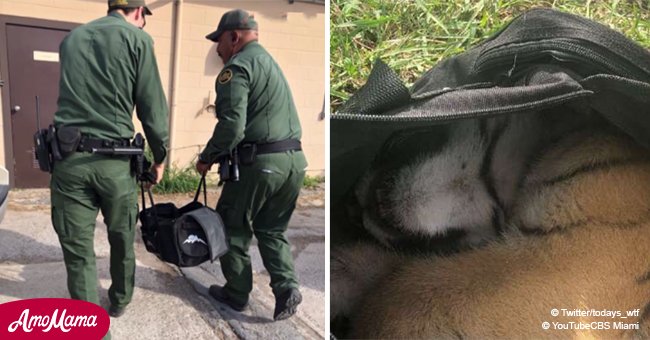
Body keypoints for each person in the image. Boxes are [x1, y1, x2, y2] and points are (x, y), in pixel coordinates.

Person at [51, 0, 168, 319]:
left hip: (69, 160)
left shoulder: (71, 39)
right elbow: (152, 107)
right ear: (138, 12)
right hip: (116, 164)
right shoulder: (138, 39)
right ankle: (119, 300)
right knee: (121, 237)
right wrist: (160, 157)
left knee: (77, 251)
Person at [196, 9, 307, 321]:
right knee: (271, 229)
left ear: (234, 37)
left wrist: (207, 157)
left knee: (231, 228)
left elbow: (233, 127)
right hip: (294, 164)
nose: (217, 50)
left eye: (218, 42)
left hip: (259, 164)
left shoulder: (237, 68)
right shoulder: (270, 64)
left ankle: (236, 292)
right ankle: (286, 287)